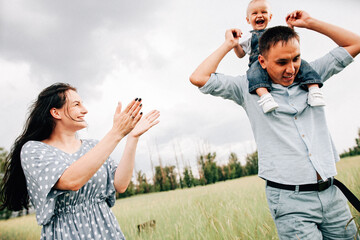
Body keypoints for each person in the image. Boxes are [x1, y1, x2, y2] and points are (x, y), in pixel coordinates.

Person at [190, 10, 360, 239]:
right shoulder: (246, 89)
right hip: (291, 202)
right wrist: (228, 44)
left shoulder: (313, 76)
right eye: (282, 62)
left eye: (296, 59)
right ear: (262, 60)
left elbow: (355, 43)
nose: (291, 69)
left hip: (332, 193)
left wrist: (310, 23)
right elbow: (199, 77)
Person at [0, 83, 160, 239]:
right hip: (67, 233)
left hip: (107, 230)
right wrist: (116, 133)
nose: (85, 110)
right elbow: (71, 180)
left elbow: (120, 184)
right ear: (56, 113)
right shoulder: (33, 150)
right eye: (77, 104)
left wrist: (132, 137)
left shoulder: (94, 146)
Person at [233, 0, 325, 113]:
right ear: (248, 20)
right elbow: (240, 54)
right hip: (258, 64)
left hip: (280, 61)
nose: (260, 15)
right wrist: (235, 43)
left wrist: (291, 27)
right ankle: (265, 98)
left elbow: (289, 43)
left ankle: (314, 89)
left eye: (264, 12)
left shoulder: (274, 32)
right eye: (255, 13)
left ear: (270, 16)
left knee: (303, 64)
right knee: (253, 75)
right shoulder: (249, 37)